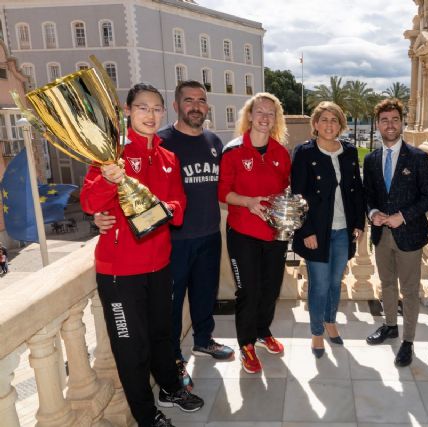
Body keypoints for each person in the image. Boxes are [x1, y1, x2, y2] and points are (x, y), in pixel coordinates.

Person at [94, 81, 234, 390]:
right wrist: (99, 213)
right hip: (173, 241)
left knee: (204, 295)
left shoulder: (214, 142)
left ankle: (203, 340)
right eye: (188, 100)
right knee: (169, 310)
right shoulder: (163, 142)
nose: (195, 106)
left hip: (209, 233)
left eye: (201, 100)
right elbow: (126, 189)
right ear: (176, 106)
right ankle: (173, 360)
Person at [81, 83, 204, 427]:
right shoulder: (111, 155)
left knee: (163, 335)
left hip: (160, 264)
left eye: (156, 108)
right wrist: (107, 180)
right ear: (128, 111)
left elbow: (179, 207)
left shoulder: (168, 157)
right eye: (142, 108)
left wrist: (166, 208)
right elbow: (91, 203)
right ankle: (145, 414)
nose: (150, 115)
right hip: (120, 271)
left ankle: (169, 388)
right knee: (131, 348)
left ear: (163, 112)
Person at [218, 92, 291, 374]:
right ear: (249, 115)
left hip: (274, 234)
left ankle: (262, 332)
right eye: (259, 112)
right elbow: (222, 192)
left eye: (270, 114)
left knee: (270, 288)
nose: (264, 117)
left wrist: (286, 208)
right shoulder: (233, 150)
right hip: (242, 232)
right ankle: (246, 342)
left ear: (276, 120)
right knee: (248, 290)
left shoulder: (281, 152)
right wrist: (248, 202)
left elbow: (286, 188)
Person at [363, 98, 428, 366]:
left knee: (409, 289)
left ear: (402, 122)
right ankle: (390, 326)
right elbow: (368, 196)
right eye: (384, 120)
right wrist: (373, 214)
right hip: (381, 236)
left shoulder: (418, 158)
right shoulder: (371, 160)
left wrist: (402, 216)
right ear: (378, 124)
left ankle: (408, 341)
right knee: (385, 283)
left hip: (409, 235)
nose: (390, 124)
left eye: (395, 119)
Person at [291, 101, 365, 358]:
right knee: (319, 285)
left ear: (341, 124)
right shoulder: (304, 152)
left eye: (334, 119)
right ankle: (316, 333)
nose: (329, 124)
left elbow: (356, 191)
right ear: (315, 124)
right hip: (317, 231)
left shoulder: (350, 152)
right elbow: (297, 195)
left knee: (335, 282)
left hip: (344, 230)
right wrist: (306, 231)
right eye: (324, 119)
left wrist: (358, 224)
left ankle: (330, 321)